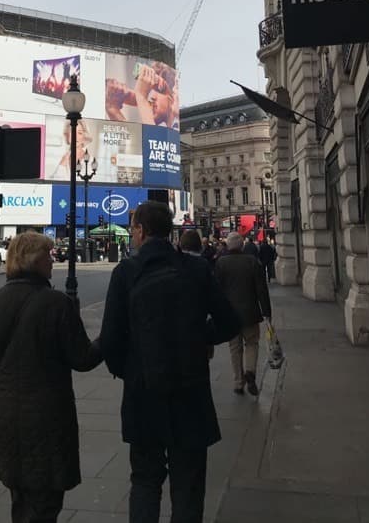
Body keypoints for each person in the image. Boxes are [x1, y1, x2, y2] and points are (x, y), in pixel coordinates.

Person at [100, 201, 240, 523]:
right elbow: (230, 323)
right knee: (189, 484)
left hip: (143, 390)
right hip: (190, 389)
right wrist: (201, 338)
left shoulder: (126, 272)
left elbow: (110, 341)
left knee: (145, 480)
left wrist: (130, 369)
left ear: (141, 231)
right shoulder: (196, 269)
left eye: (133, 228)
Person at [0, 230, 101, 523]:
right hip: (46, 418)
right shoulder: (57, 303)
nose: (52, 261)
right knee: (45, 504)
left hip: (3, 416)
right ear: (34, 260)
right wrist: (108, 340)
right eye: (48, 256)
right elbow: (82, 359)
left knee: (20, 498)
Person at [215, 232, 271, 397]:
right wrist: (267, 311)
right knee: (252, 343)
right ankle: (251, 372)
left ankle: (238, 382)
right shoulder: (252, 261)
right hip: (250, 312)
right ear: (242, 246)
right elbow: (261, 289)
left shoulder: (221, 263)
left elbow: (217, 290)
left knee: (235, 348)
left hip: (230, 313)